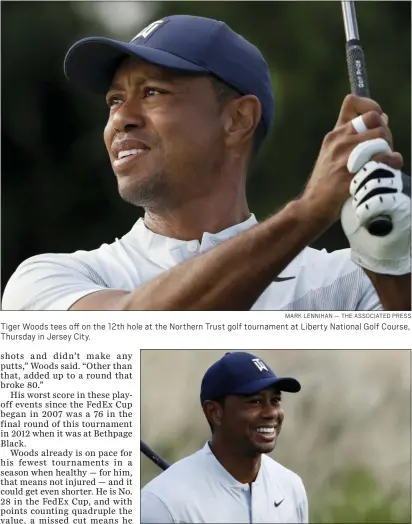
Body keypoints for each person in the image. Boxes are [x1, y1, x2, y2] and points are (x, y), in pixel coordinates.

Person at [3, 14, 410, 311]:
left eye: (152, 93)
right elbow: (128, 337)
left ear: (237, 119)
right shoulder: (47, 279)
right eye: (114, 100)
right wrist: (308, 212)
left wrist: (394, 266)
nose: (120, 118)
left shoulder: (345, 281)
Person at [141, 351, 307, 523]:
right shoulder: (163, 503)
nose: (271, 412)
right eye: (255, 401)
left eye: (275, 400)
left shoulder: (291, 487)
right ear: (215, 412)